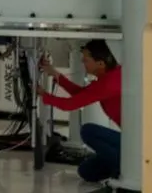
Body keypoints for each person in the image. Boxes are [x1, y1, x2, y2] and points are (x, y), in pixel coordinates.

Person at [38, 40, 123, 183]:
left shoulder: (109, 83)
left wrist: (44, 96)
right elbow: (82, 94)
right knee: (86, 171)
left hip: (135, 145)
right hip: (128, 141)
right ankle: (118, 162)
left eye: (86, 60)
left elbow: (70, 104)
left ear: (101, 64)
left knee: (88, 131)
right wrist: (54, 74)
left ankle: (120, 171)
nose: (83, 62)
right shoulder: (112, 75)